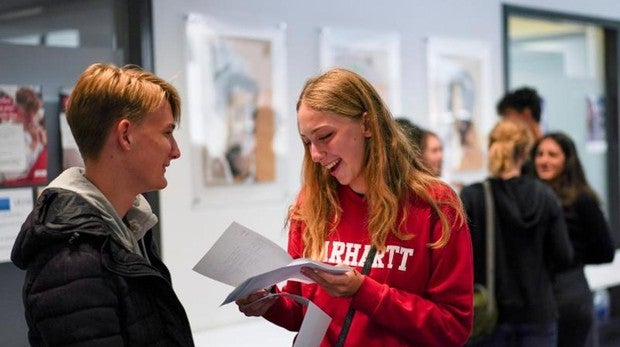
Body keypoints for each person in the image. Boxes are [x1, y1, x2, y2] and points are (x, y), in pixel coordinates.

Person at [236, 68, 474, 346]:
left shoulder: (434, 204)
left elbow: (453, 326)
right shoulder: (312, 204)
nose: (315, 154)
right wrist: (270, 304)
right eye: (306, 142)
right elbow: (303, 314)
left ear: (367, 124)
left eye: (324, 136)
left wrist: (364, 292)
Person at [11, 63, 195, 346]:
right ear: (125, 135)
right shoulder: (71, 263)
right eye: (166, 132)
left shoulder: (129, 231)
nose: (176, 151)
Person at [460, 119, 573, 347]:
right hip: (539, 312)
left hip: (489, 315)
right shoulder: (545, 196)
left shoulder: (473, 197)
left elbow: (459, 261)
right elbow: (563, 256)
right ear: (525, 153)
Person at [533, 132, 615, 347]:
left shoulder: (582, 199)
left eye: (552, 154)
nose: (544, 160)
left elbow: (605, 251)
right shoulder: (531, 197)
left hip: (569, 290)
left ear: (566, 160)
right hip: (540, 290)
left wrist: (570, 255)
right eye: (540, 154)